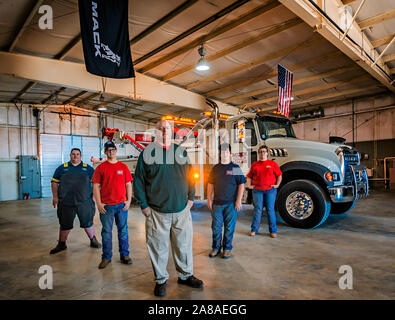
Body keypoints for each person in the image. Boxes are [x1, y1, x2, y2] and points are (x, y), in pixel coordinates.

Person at [133, 119, 203, 297]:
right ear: (156, 132)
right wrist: (144, 205)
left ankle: (185, 276)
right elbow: (139, 181)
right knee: (158, 247)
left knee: (184, 245)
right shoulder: (147, 153)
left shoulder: (180, 152)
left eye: (168, 129)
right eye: (161, 129)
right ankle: (161, 280)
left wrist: (191, 198)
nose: (165, 132)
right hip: (157, 211)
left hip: (181, 209)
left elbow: (190, 175)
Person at [50, 148, 101, 254]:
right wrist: (55, 197)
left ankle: (93, 240)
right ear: (70, 155)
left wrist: (95, 196)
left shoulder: (88, 169)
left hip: (84, 202)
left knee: (88, 222)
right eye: (73, 154)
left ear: (80, 156)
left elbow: (96, 183)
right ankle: (62, 244)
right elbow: (54, 181)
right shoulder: (62, 168)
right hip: (66, 202)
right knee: (65, 224)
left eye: (77, 154)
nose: (75, 156)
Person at [92, 141, 133, 269]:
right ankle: (106, 257)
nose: (111, 152)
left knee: (123, 231)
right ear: (105, 152)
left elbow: (128, 184)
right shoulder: (101, 168)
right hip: (107, 207)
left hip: (121, 206)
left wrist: (129, 200)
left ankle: (124, 255)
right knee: (106, 232)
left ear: (116, 151)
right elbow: (96, 186)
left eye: (113, 149)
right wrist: (99, 204)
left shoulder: (123, 167)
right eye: (108, 150)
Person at [207, 143, 246, 259]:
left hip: (231, 204)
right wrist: (209, 198)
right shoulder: (215, 168)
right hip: (217, 204)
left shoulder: (235, 168)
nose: (224, 154)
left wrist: (238, 200)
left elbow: (241, 184)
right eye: (222, 152)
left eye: (226, 152)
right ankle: (216, 248)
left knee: (229, 228)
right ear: (220, 153)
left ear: (230, 153)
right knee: (216, 227)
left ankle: (227, 249)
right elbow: (210, 184)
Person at [246, 145, 282, 238]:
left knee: (270, 210)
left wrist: (277, 185)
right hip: (257, 191)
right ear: (258, 153)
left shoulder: (273, 164)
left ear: (267, 153)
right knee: (258, 210)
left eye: (264, 152)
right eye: (260, 152)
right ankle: (254, 230)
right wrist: (249, 185)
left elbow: (279, 175)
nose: (262, 153)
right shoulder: (255, 164)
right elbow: (249, 176)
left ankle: (273, 231)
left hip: (270, 191)